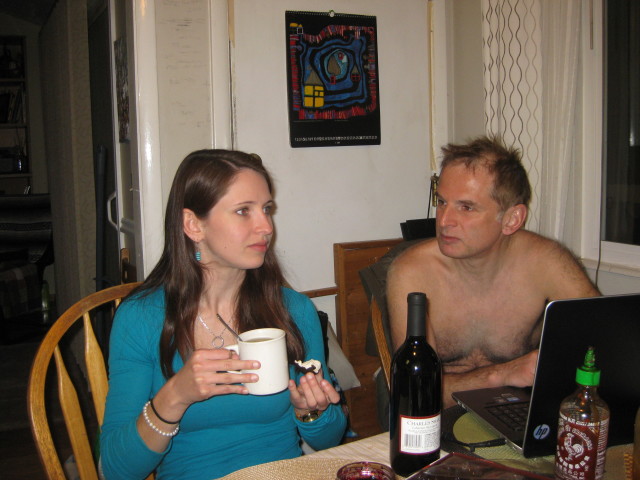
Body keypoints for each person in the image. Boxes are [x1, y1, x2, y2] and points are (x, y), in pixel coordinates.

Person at [100, 150, 346, 479]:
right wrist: (175, 396)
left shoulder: (292, 310)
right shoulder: (141, 318)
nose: (266, 227)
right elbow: (116, 470)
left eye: (266, 209)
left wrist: (311, 412)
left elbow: (330, 440)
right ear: (193, 225)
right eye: (244, 211)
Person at [387, 135, 600, 408]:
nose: (444, 220)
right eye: (441, 202)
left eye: (466, 207)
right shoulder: (412, 272)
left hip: (520, 410)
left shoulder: (546, 262)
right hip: (438, 415)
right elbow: (412, 391)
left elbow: (604, 343)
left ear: (511, 219)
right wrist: (500, 375)